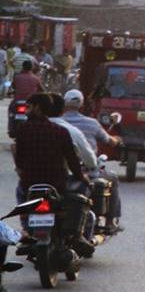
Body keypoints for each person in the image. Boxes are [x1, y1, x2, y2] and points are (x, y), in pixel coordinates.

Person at [13, 93, 94, 256]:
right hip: (57, 184)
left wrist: (23, 172)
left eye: (29, 107)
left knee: (21, 194)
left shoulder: (23, 131)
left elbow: (19, 160)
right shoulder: (60, 131)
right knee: (79, 197)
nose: (26, 110)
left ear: (38, 108)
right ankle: (76, 234)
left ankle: (27, 230)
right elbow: (72, 160)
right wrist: (81, 177)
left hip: (29, 184)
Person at [62, 89, 124, 231]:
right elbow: (108, 140)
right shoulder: (91, 123)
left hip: (62, 170)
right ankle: (110, 222)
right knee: (112, 178)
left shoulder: (57, 123)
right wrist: (116, 140)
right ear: (81, 105)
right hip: (85, 169)